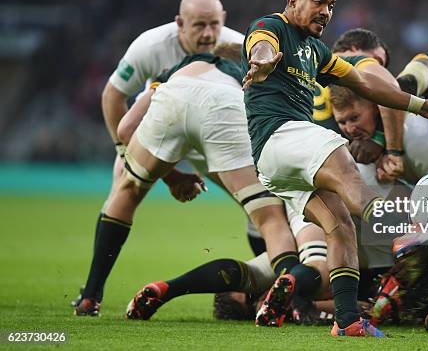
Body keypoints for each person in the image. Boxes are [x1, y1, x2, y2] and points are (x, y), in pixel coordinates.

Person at [241, 0, 428, 337]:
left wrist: (420, 106)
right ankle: (404, 235)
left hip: (275, 161)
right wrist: (262, 60)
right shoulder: (270, 27)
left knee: (339, 226)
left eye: (331, 5)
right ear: (293, 2)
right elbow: (259, 44)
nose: (326, 11)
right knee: (348, 172)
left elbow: (365, 85)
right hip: (282, 135)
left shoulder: (319, 52)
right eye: (319, 1)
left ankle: (347, 321)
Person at [76, 49, 297, 318]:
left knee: (128, 189)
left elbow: (124, 130)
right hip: (226, 106)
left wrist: (171, 177)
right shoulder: (255, 73)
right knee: (269, 217)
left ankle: (90, 296)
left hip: (175, 96)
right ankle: (292, 292)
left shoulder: (173, 70)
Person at [74, 0, 248, 316]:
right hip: (159, 133)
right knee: (126, 187)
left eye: (214, 24)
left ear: (223, 19)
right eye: (198, 26)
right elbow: (113, 97)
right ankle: (91, 294)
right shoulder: (151, 46)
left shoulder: (239, 47)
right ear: (180, 23)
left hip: (212, 137)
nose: (208, 34)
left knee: (258, 202)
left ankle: (268, 291)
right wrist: (127, 153)